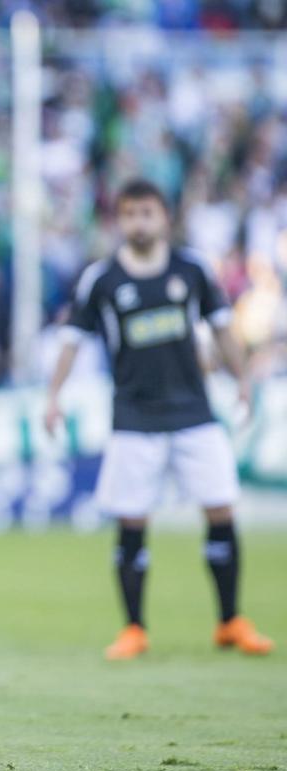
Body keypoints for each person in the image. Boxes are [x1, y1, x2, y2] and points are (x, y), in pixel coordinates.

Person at [45, 178, 273, 660]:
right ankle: (134, 628)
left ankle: (230, 621)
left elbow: (223, 327)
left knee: (221, 509)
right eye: (129, 214)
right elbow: (72, 339)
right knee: (132, 519)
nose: (139, 222)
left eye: (147, 212)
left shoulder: (192, 270)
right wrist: (53, 395)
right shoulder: (101, 279)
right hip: (134, 417)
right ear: (119, 220)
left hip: (194, 412)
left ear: (164, 216)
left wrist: (244, 379)